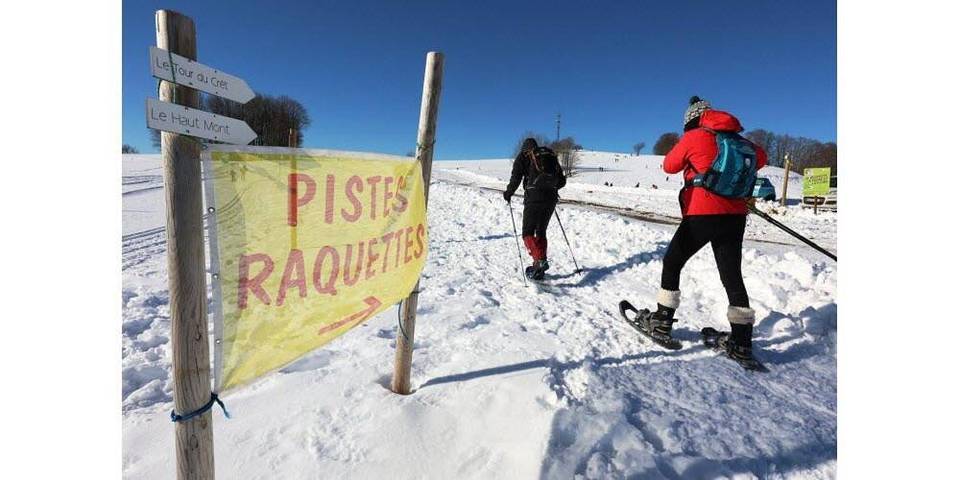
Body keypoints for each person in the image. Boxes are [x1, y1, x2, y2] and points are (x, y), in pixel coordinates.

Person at [635, 96, 767, 362]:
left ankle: (662, 320)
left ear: (690, 120)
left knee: (672, 262)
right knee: (732, 274)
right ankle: (741, 341)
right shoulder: (741, 141)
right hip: (736, 215)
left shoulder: (695, 136)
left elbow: (669, 166)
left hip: (702, 213)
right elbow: (761, 159)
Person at [503, 138, 567, 280]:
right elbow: (562, 181)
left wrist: (508, 193)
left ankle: (540, 260)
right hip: (551, 198)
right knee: (541, 231)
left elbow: (516, 178)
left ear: (524, 148)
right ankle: (540, 262)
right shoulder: (548, 156)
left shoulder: (522, 157)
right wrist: (549, 187)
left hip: (534, 197)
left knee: (527, 232)